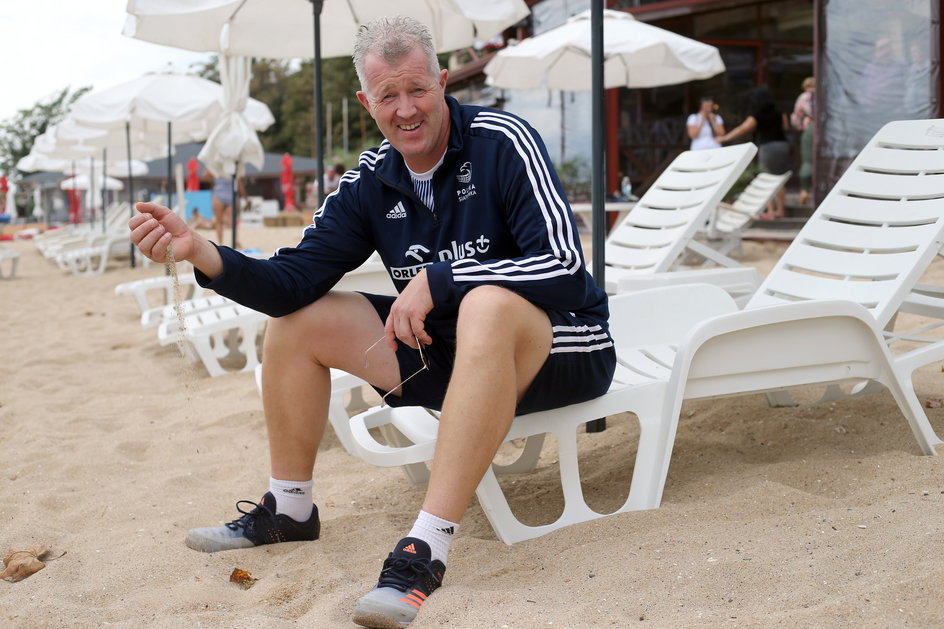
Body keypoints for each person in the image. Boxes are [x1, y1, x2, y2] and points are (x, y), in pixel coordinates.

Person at [128, 16, 615, 629]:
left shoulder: (502, 140)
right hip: (449, 352)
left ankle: (427, 547)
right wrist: (202, 251)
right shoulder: (368, 179)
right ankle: (290, 508)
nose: (406, 109)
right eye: (388, 96)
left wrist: (443, 279)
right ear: (367, 102)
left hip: (560, 346)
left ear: (443, 83)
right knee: (301, 320)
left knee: (485, 302)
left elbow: (567, 268)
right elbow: (291, 282)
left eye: (418, 90)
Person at [718, 86, 790, 218]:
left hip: (768, 146)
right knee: (780, 178)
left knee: (767, 178)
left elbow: (743, 129)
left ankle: (770, 212)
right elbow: (785, 126)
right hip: (782, 145)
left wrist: (725, 138)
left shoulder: (758, 113)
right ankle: (780, 209)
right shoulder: (779, 111)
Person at [204, 167, 246, 245]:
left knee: (221, 221)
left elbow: (206, 177)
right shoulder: (233, 164)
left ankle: (223, 243)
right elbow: (239, 182)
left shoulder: (216, 164)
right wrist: (245, 197)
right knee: (229, 221)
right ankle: (231, 241)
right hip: (230, 194)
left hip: (220, 193)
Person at [790, 77, 815, 206]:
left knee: (807, 161)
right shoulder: (825, 94)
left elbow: (796, 118)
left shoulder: (804, 97)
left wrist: (800, 126)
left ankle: (804, 189)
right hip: (829, 130)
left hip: (810, 128)